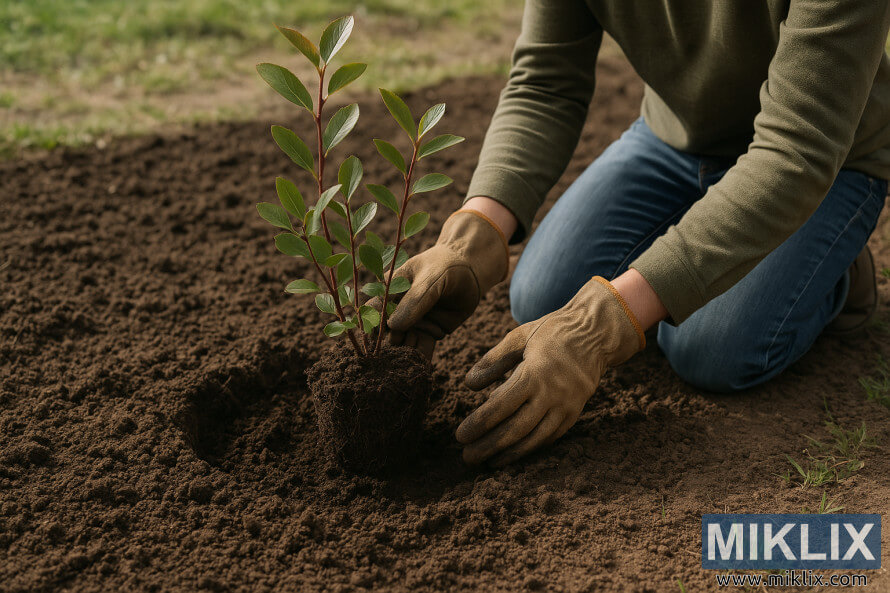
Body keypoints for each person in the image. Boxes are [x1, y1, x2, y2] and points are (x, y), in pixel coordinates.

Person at [387, 0, 890, 466]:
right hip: (674, 142)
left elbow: (794, 151)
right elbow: (545, 82)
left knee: (711, 350)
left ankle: (835, 272)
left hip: (819, 160)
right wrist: (473, 237)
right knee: (541, 295)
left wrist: (599, 323)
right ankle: (719, 237)